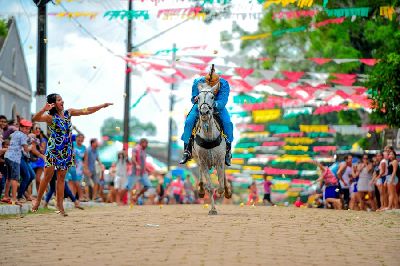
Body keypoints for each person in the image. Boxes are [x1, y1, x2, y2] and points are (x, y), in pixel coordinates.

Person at [31, 93, 112, 215]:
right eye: (59, 100)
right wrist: (43, 109)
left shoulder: (69, 113)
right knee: (47, 176)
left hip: (66, 150)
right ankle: (38, 201)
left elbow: (86, 111)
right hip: (54, 149)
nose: (62, 101)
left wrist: (101, 106)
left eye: (62, 99)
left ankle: (60, 205)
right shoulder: (50, 117)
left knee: (61, 177)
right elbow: (35, 119)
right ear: (53, 104)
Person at [179, 67, 234, 166]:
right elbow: (193, 98)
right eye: (209, 83)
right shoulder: (198, 82)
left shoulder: (224, 84)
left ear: (218, 81)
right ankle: (187, 150)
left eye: (213, 84)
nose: (211, 86)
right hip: (200, 105)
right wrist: (196, 99)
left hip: (217, 107)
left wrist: (214, 104)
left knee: (227, 123)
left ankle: (228, 152)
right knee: (189, 122)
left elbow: (223, 100)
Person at [3, 119, 32, 205]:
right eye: (25, 128)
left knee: (9, 178)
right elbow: (26, 149)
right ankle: (14, 199)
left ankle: (6, 196)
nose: (27, 130)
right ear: (21, 128)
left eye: (28, 128)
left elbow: (9, 139)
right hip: (14, 159)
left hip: (7, 156)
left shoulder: (15, 133)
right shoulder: (22, 135)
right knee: (15, 179)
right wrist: (30, 148)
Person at [128, 138, 152, 204]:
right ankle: (125, 200)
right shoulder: (135, 149)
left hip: (143, 172)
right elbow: (133, 158)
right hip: (135, 172)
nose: (147, 145)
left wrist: (147, 169)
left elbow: (143, 162)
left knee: (148, 185)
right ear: (142, 143)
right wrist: (136, 165)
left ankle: (136, 196)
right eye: (146, 143)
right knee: (129, 187)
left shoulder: (144, 151)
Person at [66, 133, 87, 201]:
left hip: (79, 167)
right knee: (70, 181)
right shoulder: (73, 144)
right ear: (76, 138)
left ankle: (80, 196)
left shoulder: (84, 147)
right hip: (71, 164)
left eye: (82, 138)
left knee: (77, 181)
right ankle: (72, 196)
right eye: (79, 137)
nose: (80, 139)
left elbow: (85, 159)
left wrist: (85, 168)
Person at [29, 124, 47, 195]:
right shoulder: (29, 138)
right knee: (30, 178)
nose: (38, 130)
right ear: (32, 129)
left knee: (38, 180)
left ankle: (40, 196)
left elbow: (42, 151)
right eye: (36, 128)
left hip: (40, 161)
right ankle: (29, 196)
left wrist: (40, 141)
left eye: (39, 128)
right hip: (31, 160)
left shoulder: (43, 139)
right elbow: (32, 150)